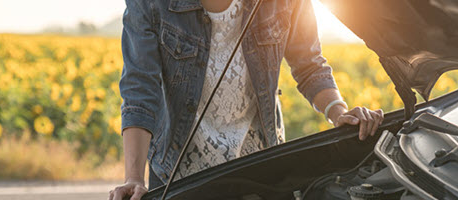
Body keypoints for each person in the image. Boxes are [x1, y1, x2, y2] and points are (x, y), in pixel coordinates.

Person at [109, 0, 384, 199]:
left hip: (261, 166)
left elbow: (309, 65)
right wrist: (134, 177)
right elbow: (140, 88)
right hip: (180, 177)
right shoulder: (149, 4)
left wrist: (339, 112)